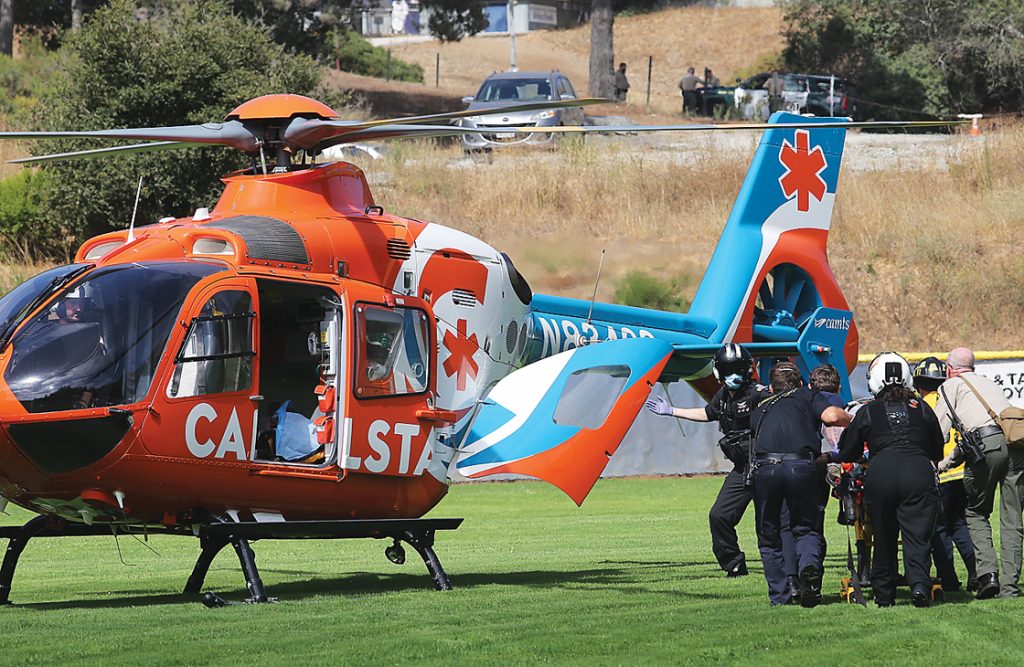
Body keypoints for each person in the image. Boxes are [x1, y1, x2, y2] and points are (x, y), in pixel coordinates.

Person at [646, 343, 783, 580]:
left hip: (765, 466)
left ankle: (785, 568)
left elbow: (782, 415)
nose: (734, 377)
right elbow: (709, 413)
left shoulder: (759, 394)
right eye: (729, 371)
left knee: (769, 523)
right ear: (719, 373)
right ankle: (734, 565)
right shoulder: (723, 396)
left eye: (738, 371)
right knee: (719, 516)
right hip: (742, 469)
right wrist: (671, 411)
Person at [827, 353, 943, 607]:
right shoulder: (921, 407)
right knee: (917, 536)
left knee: (883, 535)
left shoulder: (869, 411)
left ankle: (884, 593)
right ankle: (920, 587)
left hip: (882, 474)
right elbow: (937, 449)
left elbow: (848, 451)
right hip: (917, 472)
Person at [750, 361, 851, 606]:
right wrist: (854, 419)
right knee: (805, 528)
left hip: (765, 468)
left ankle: (781, 596)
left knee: (770, 535)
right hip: (801, 465)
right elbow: (831, 416)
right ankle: (808, 567)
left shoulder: (760, 408)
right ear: (801, 383)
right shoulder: (807, 395)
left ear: (772, 388)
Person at [933, 347, 1016, 599]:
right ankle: (1010, 588)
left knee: (976, 512)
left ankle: (987, 576)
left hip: (986, 447)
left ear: (948, 369)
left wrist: (932, 460)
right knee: (1012, 519)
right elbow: (973, 438)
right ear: (974, 368)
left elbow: (936, 432)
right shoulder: (989, 384)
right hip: (1015, 446)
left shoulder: (950, 387)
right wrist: (947, 463)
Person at [914, 356, 978, 593]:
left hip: (941, 473)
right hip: (964, 470)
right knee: (959, 524)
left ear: (918, 384)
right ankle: (978, 573)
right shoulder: (953, 398)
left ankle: (949, 580)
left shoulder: (920, 406)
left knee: (939, 529)